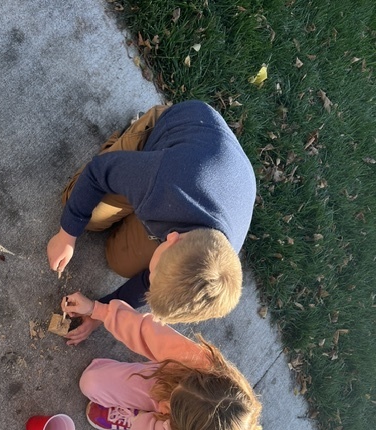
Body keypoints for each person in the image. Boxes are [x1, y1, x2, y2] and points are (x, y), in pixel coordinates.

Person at [47, 100, 256, 345]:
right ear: (172, 238)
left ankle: (135, 193)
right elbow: (97, 173)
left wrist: (98, 312)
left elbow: (151, 285)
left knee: (121, 261)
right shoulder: (164, 183)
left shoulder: (218, 259)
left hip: (198, 183)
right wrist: (67, 234)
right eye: (155, 272)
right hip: (175, 130)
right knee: (80, 206)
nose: (150, 275)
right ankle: (139, 130)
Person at [64, 292, 262, 430]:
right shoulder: (201, 367)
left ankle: (136, 420)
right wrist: (97, 310)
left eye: (168, 410)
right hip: (165, 383)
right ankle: (146, 417)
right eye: (173, 399)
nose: (163, 406)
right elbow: (149, 333)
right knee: (90, 382)